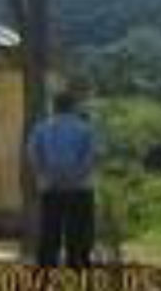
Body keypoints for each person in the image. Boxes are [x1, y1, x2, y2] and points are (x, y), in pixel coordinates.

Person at [28, 87, 97, 268]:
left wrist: (46, 176)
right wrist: (75, 177)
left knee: (49, 233)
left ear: (54, 106)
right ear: (73, 106)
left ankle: (45, 274)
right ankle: (77, 270)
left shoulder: (41, 129)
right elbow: (90, 158)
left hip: (51, 189)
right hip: (80, 189)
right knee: (79, 234)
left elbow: (34, 155)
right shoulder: (85, 129)